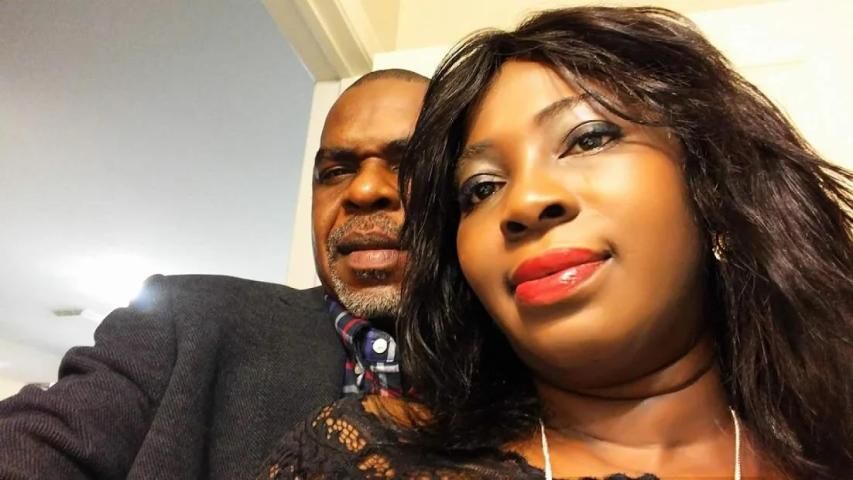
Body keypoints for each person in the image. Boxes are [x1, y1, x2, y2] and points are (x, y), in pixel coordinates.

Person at [258, 7, 853, 480]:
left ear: (713, 184)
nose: (523, 203)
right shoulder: (363, 457)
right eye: (481, 188)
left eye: (588, 139)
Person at [0, 69, 428, 479]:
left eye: (408, 165)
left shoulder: (475, 366)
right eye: (335, 172)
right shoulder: (180, 323)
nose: (363, 190)